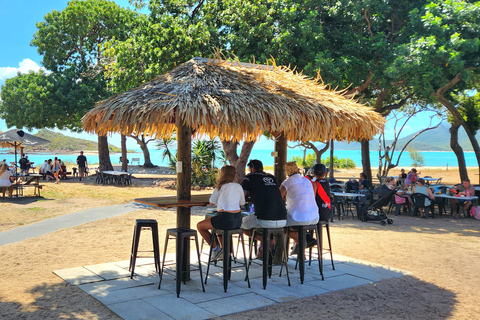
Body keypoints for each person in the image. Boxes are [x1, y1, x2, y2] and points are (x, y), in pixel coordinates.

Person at [197, 165, 245, 262]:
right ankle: (225, 253)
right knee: (218, 229)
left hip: (225, 219)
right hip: (238, 220)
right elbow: (242, 203)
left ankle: (216, 249)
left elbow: (212, 202)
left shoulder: (220, 187)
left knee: (200, 226)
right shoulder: (238, 186)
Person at [241, 159, 287, 257]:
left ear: (252, 169)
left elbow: (242, 196)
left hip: (264, 219)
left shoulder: (249, 177)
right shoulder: (272, 177)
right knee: (261, 222)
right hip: (283, 219)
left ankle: (265, 241)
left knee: (241, 225)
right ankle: (263, 248)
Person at [280, 162, 318, 253]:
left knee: (280, 224)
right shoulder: (307, 181)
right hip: (315, 217)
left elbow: (278, 198)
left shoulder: (286, 183)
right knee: (294, 221)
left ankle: (300, 241)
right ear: (297, 170)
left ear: (286, 172)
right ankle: (306, 238)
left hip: (299, 218)